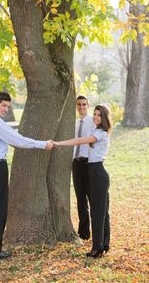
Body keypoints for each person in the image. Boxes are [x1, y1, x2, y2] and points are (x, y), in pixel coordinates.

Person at [0, 91, 53, 261]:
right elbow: (18, 140)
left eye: (8, 106)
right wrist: (43, 145)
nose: (5, 109)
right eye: (3, 105)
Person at [53, 105, 112, 258]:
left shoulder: (101, 133)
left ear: (104, 118)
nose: (95, 117)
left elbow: (79, 140)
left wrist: (59, 144)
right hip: (94, 172)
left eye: (99, 115)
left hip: (98, 173)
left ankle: (97, 248)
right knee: (102, 211)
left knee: (98, 213)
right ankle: (104, 244)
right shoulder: (96, 130)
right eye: (95, 114)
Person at [72, 95, 94, 240]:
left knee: (92, 198)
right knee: (80, 199)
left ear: (88, 105)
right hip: (76, 164)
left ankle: (98, 230)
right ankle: (84, 232)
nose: (81, 107)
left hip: (88, 163)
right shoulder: (74, 123)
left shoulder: (92, 121)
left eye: (84, 104)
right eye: (79, 104)